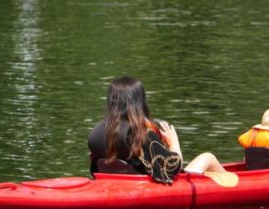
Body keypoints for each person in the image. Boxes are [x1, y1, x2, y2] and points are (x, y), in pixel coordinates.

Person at [88, 76, 226, 184]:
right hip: (146, 187)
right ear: (139, 102)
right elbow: (175, 169)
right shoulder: (141, 134)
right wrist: (173, 143)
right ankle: (238, 189)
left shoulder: (101, 132)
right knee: (208, 157)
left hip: (114, 184)